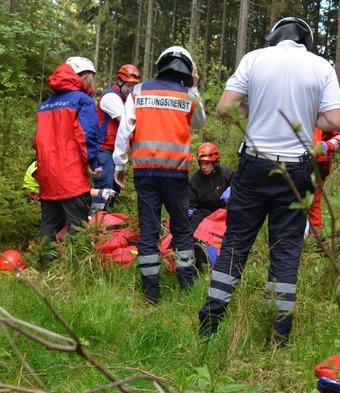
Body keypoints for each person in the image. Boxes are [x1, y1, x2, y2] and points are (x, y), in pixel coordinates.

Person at [198, 17, 340, 344]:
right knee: (286, 250)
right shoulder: (321, 66)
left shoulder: (254, 58)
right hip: (297, 171)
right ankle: (277, 337)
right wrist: (307, 117)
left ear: (274, 37)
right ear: (305, 40)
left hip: (254, 165)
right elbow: (337, 120)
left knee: (235, 243)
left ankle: (209, 325)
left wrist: (257, 111)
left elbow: (224, 108)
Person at [113, 46, 205, 304]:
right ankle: (187, 286)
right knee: (182, 228)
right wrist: (195, 85)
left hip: (145, 173)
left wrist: (119, 165)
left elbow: (124, 131)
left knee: (149, 230)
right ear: (187, 69)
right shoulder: (188, 94)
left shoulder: (139, 91)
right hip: (176, 173)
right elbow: (198, 122)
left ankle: (150, 293)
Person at [33, 56, 101, 241]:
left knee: (49, 222)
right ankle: (72, 266)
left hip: (47, 175)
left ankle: (44, 263)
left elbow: (36, 141)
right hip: (71, 175)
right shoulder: (82, 101)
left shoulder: (45, 104)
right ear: (84, 76)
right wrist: (94, 163)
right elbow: (87, 135)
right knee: (76, 225)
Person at [92, 64, 141, 213]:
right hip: (103, 150)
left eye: (134, 85)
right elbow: (127, 123)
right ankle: (94, 224)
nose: (131, 89)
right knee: (105, 189)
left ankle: (104, 223)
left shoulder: (129, 100)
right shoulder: (110, 97)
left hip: (116, 152)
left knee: (114, 190)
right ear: (120, 82)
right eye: (128, 85)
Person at [308, 128, 340, 237]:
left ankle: (313, 241)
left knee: (313, 202)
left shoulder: (326, 112)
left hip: (318, 164)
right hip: (293, 160)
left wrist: (326, 145)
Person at [188, 142, 234, 230]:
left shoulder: (225, 173)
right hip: (205, 215)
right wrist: (190, 210)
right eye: (201, 163)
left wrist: (232, 188)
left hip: (224, 213)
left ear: (214, 162)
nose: (203, 167)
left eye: (207, 163)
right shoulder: (195, 180)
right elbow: (190, 203)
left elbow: (238, 181)